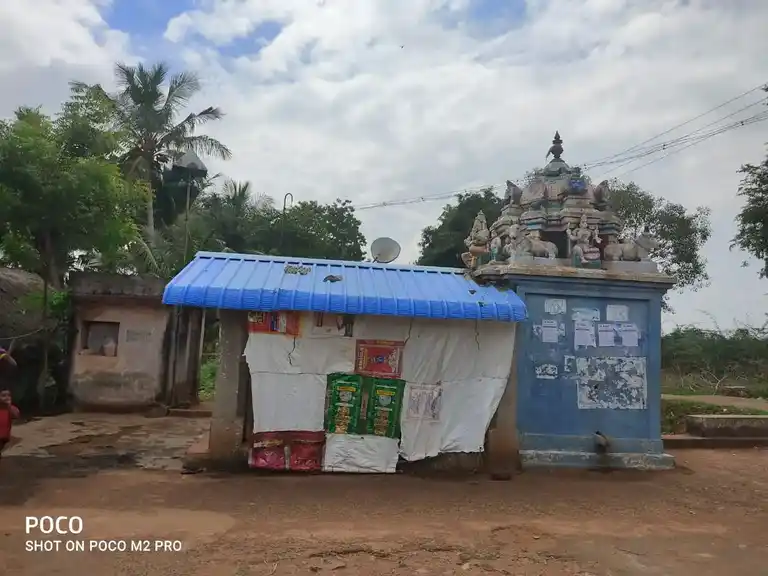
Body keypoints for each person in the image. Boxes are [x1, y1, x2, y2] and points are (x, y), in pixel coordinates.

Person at [0, 386, 19, 459]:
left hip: (4, 437)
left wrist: (9, 406)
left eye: (9, 395)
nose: (7, 398)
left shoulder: (10, 408)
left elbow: (16, 415)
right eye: (3, 396)